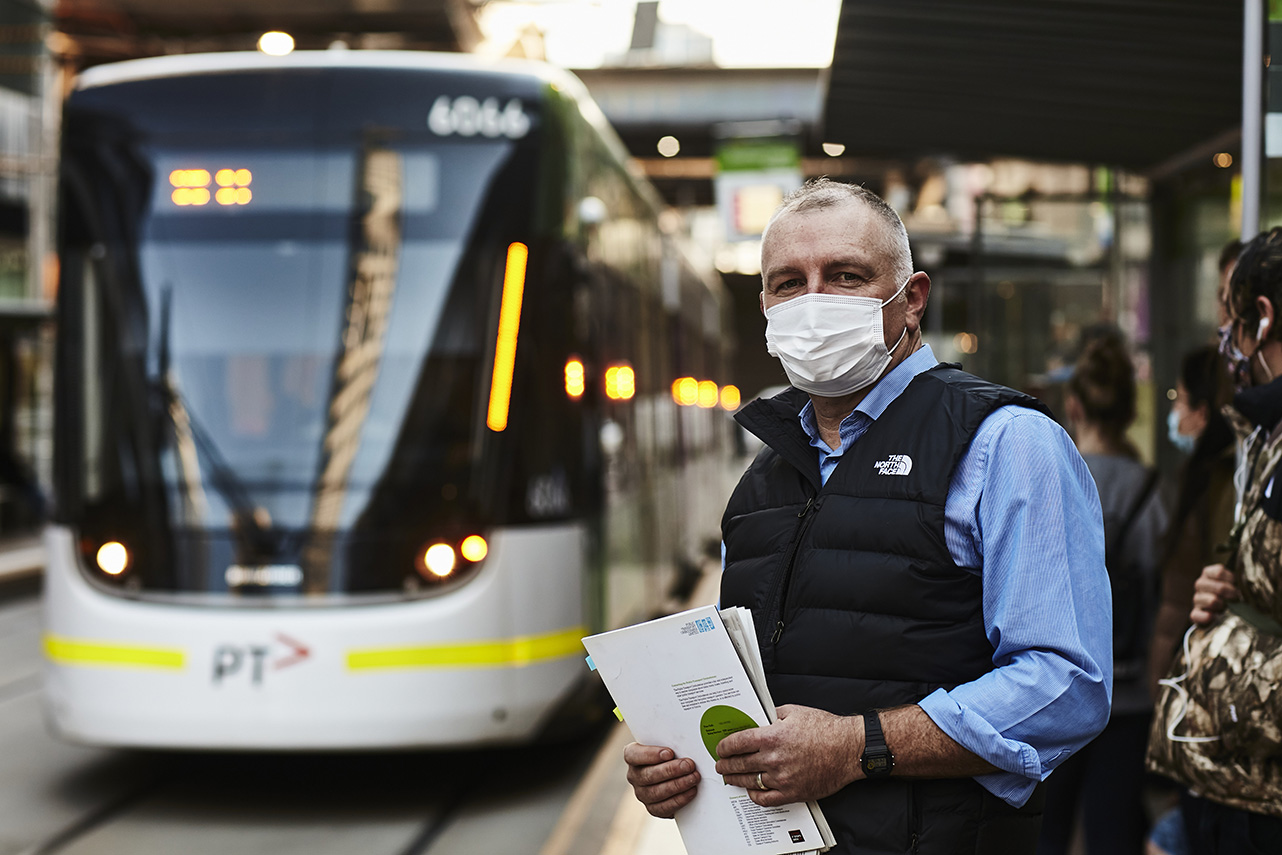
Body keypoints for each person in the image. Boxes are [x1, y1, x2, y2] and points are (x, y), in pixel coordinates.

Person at [623, 179, 1113, 854]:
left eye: (845, 276)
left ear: (911, 299)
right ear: (764, 306)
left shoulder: (1004, 444)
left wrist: (858, 746)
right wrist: (687, 761)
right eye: (788, 283)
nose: (814, 302)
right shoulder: (762, 481)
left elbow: (1067, 685)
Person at [1147, 228, 1282, 853]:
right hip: (1233, 778)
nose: (1223, 342)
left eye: (1230, 317)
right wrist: (1229, 596)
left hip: (1260, 791)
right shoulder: (1263, 433)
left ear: (1263, 317)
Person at [1038, 335, 1166, 855]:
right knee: (1114, 832)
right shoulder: (1150, 489)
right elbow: (1163, 595)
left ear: (1074, 405)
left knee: (1046, 827)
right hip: (1129, 694)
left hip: (1053, 684)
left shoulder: (1052, 474)